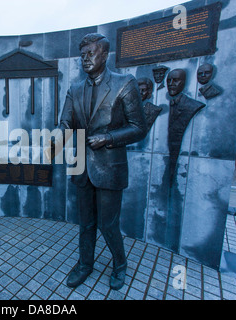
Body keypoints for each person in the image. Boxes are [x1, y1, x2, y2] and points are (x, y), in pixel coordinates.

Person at [57, 33, 147, 290]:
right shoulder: (75, 89)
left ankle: (120, 265)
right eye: (82, 55)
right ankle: (85, 264)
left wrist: (108, 138)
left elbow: (139, 128)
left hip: (110, 167)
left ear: (104, 55)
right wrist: (58, 135)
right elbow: (66, 122)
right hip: (82, 165)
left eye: (91, 53)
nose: (85, 59)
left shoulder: (124, 83)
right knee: (85, 223)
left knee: (108, 224)